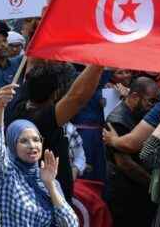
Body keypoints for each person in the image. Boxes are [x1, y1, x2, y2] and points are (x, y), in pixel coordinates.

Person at [8, 61, 103, 201]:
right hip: (47, 201)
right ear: (57, 93)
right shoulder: (43, 119)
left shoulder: (14, 104)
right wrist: (99, 61)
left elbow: (32, 62)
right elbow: (77, 97)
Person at [0, 84, 78, 226]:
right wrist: (0, 106)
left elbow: (71, 224)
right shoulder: (4, 173)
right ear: (12, 145)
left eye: (36, 140)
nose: (32, 146)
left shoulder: (47, 179)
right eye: (23, 141)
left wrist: (50, 185)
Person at [105, 77, 160, 226]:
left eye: (158, 102)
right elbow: (126, 165)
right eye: (151, 101)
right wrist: (154, 185)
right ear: (135, 97)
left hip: (140, 192)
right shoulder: (117, 120)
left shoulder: (141, 116)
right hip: (126, 194)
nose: (156, 108)